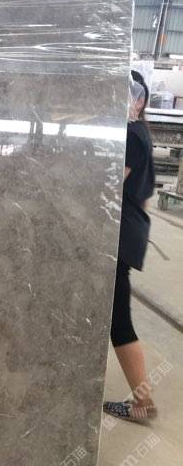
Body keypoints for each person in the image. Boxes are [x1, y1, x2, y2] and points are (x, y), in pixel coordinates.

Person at [103, 70, 157, 422]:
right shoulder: (138, 132)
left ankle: (143, 403)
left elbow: (109, 183)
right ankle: (143, 401)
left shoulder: (132, 135)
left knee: (119, 320)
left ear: (139, 100)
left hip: (120, 235)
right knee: (115, 317)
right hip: (126, 232)